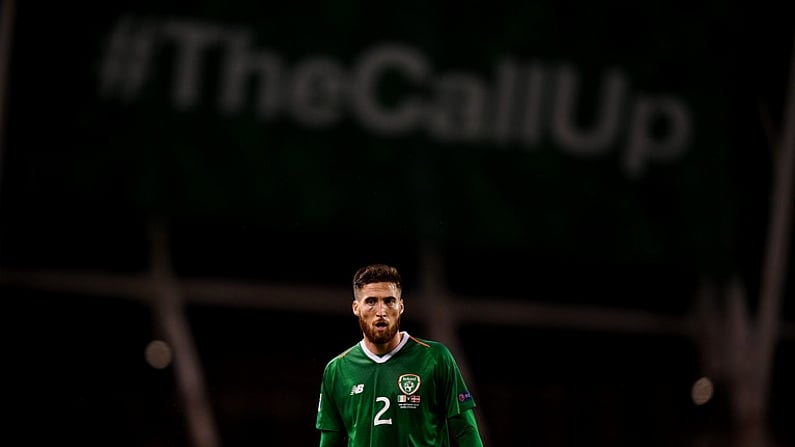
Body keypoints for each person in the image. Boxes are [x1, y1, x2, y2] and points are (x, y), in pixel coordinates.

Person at [315, 263, 484, 447]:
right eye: (371, 301)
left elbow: (466, 429)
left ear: (401, 306)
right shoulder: (337, 369)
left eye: (389, 301)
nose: (381, 312)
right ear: (356, 308)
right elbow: (329, 441)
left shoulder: (435, 358)